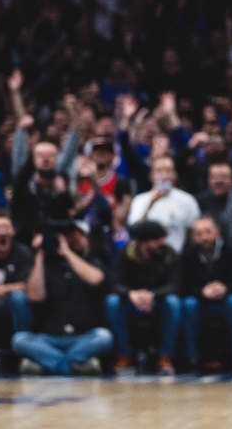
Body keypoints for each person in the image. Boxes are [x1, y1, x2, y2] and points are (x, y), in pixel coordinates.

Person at [12, 219, 114, 375]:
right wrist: (40, 255)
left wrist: (67, 252)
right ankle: (76, 365)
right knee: (19, 340)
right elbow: (35, 296)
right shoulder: (42, 266)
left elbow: (96, 279)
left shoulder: (89, 261)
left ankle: (46, 364)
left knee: (104, 337)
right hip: (48, 338)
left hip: (82, 337)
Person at [106, 219, 183, 374]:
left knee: (173, 302)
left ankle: (165, 356)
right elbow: (113, 282)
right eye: (157, 239)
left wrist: (153, 294)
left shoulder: (169, 254)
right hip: (132, 301)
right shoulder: (126, 253)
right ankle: (125, 354)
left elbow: (175, 284)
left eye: (163, 238)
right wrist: (130, 294)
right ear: (143, 242)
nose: (162, 242)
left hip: (158, 301)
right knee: (112, 302)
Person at [180, 215, 232, 372]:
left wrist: (225, 288)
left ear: (217, 232)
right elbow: (182, 286)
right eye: (199, 234)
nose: (204, 237)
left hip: (226, 299)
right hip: (200, 300)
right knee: (188, 304)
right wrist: (202, 291)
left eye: (208, 232)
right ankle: (192, 357)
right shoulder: (187, 255)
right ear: (193, 237)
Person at [127, 155, 200, 253]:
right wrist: (151, 203)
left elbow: (194, 231)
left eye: (168, 171)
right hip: (147, 256)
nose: (164, 175)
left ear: (175, 175)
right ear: (151, 176)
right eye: (159, 171)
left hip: (177, 255)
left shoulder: (187, 200)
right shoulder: (140, 200)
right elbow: (134, 229)